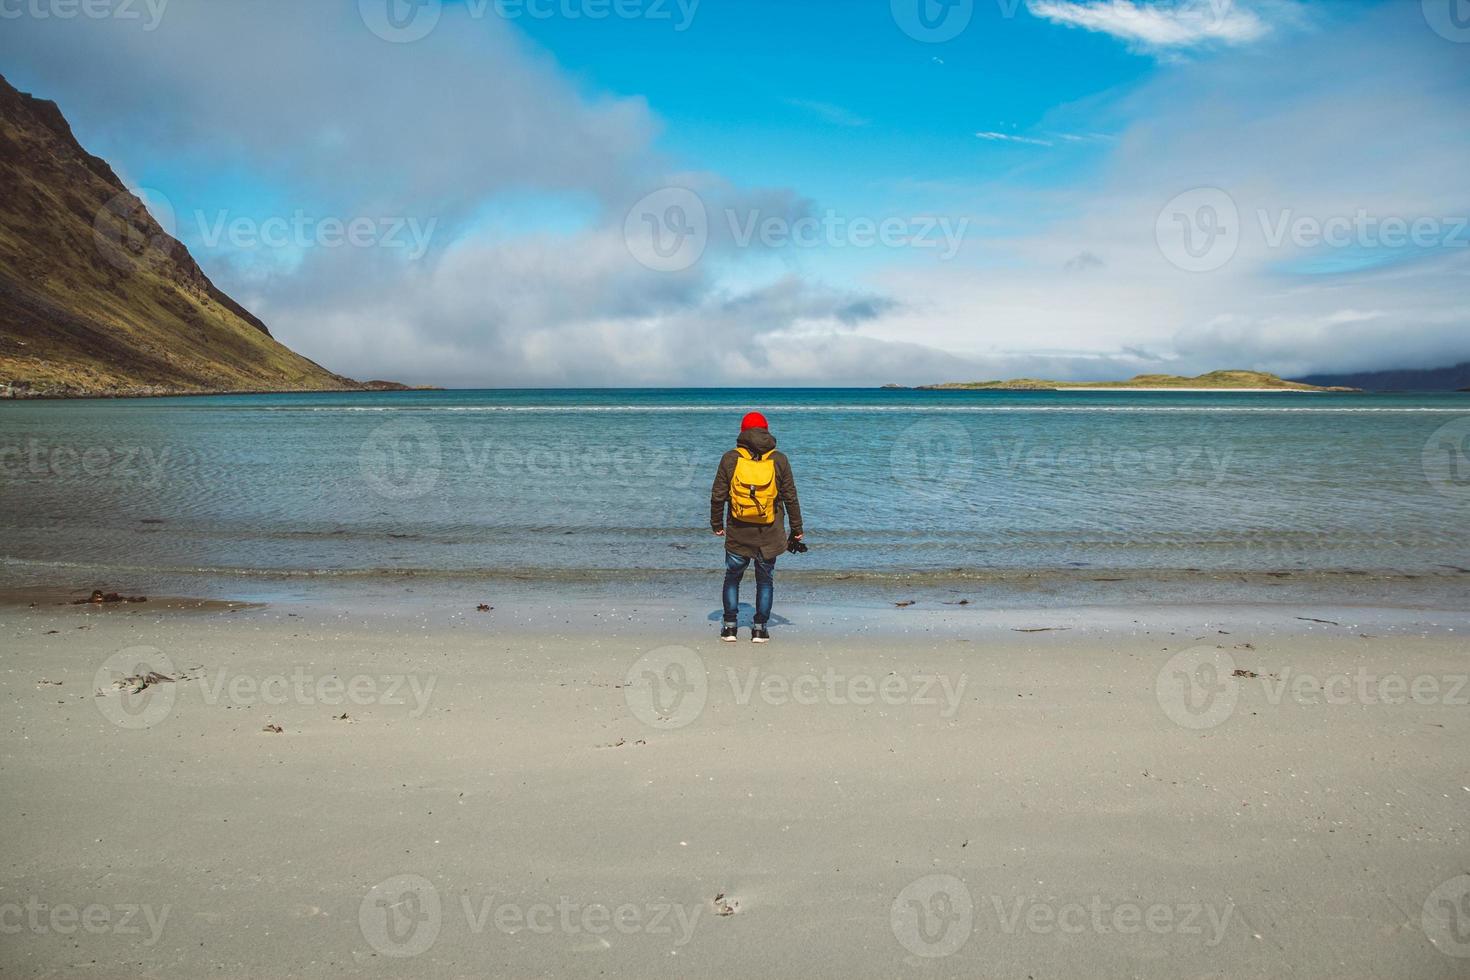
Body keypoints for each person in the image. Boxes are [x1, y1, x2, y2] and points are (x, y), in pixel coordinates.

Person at [710, 412, 803, 643]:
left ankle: (730, 627)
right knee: (765, 581)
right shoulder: (779, 459)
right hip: (769, 534)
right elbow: (790, 496)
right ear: (766, 431)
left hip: (738, 532)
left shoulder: (730, 458)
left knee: (732, 578)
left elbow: (718, 495)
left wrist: (716, 523)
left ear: (742, 432)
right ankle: (760, 628)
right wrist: (796, 527)